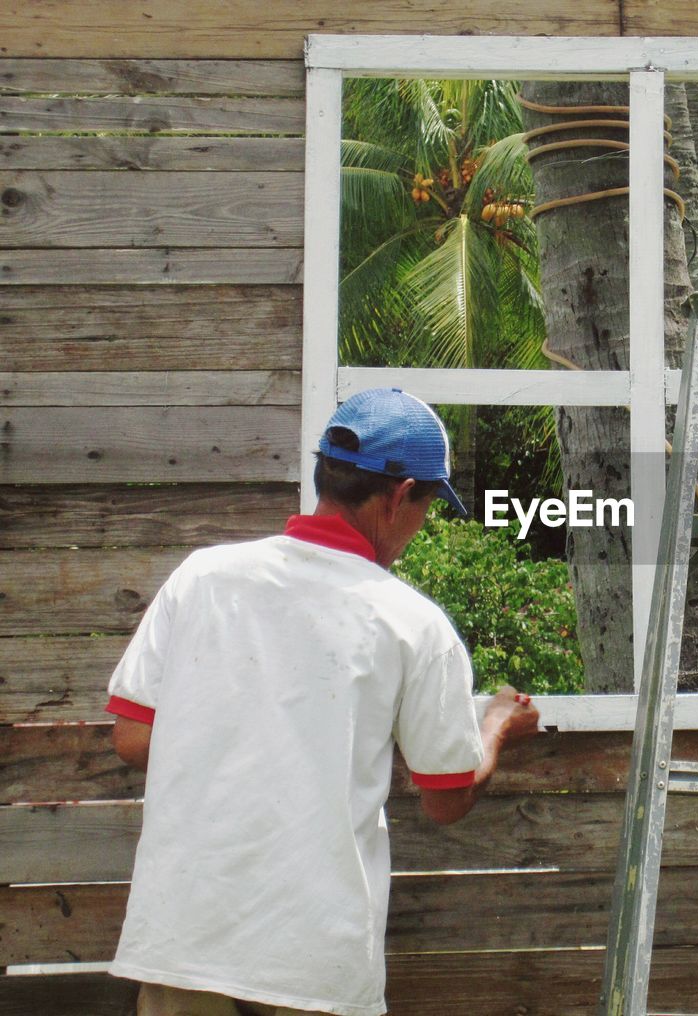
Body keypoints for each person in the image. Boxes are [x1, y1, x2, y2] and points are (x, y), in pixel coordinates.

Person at [106, 387, 540, 1016]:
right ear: (398, 496)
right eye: (426, 507)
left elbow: (133, 738)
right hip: (312, 959)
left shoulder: (202, 577)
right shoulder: (411, 623)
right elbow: (446, 798)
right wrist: (496, 721)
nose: (420, 527)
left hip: (182, 940)